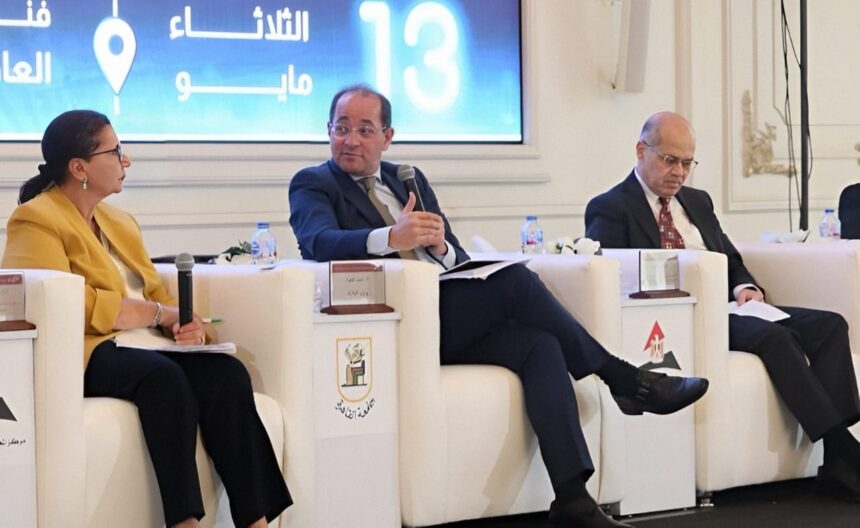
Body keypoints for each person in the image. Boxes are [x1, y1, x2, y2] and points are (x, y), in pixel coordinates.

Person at [288, 84, 709, 528]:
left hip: (444, 312)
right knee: (516, 281)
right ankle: (623, 378)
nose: (350, 140)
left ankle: (573, 499)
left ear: (387, 137)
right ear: (328, 131)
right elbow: (319, 242)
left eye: (364, 130)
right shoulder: (314, 184)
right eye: (341, 128)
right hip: (393, 325)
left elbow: (452, 253)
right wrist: (391, 237)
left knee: (540, 346)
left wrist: (439, 247)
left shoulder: (407, 178)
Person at [2, 110, 293, 527]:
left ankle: (256, 521)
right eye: (115, 151)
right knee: (163, 378)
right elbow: (48, 299)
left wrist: (182, 323)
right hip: (88, 352)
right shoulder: (36, 218)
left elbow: (159, 296)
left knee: (226, 373)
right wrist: (148, 312)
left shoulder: (120, 222)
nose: (126, 159)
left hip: (144, 343)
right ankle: (184, 521)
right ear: (79, 168)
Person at [585, 111, 860, 502]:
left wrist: (745, 287)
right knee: (776, 337)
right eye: (669, 160)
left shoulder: (697, 201)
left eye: (687, 163)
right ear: (641, 150)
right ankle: (843, 449)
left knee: (830, 325)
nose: (679, 173)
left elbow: (729, 257)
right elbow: (617, 272)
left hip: (733, 306)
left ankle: (837, 457)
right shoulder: (611, 206)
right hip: (687, 314)